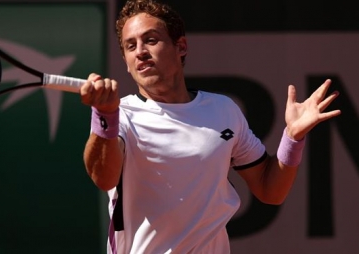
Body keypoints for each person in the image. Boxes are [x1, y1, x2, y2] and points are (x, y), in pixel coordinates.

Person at [79, 0, 341, 253]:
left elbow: (270, 189)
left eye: (150, 40)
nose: (140, 52)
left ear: (180, 46)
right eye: (130, 46)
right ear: (125, 61)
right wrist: (105, 116)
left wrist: (292, 137)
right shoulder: (121, 116)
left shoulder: (223, 110)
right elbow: (104, 178)